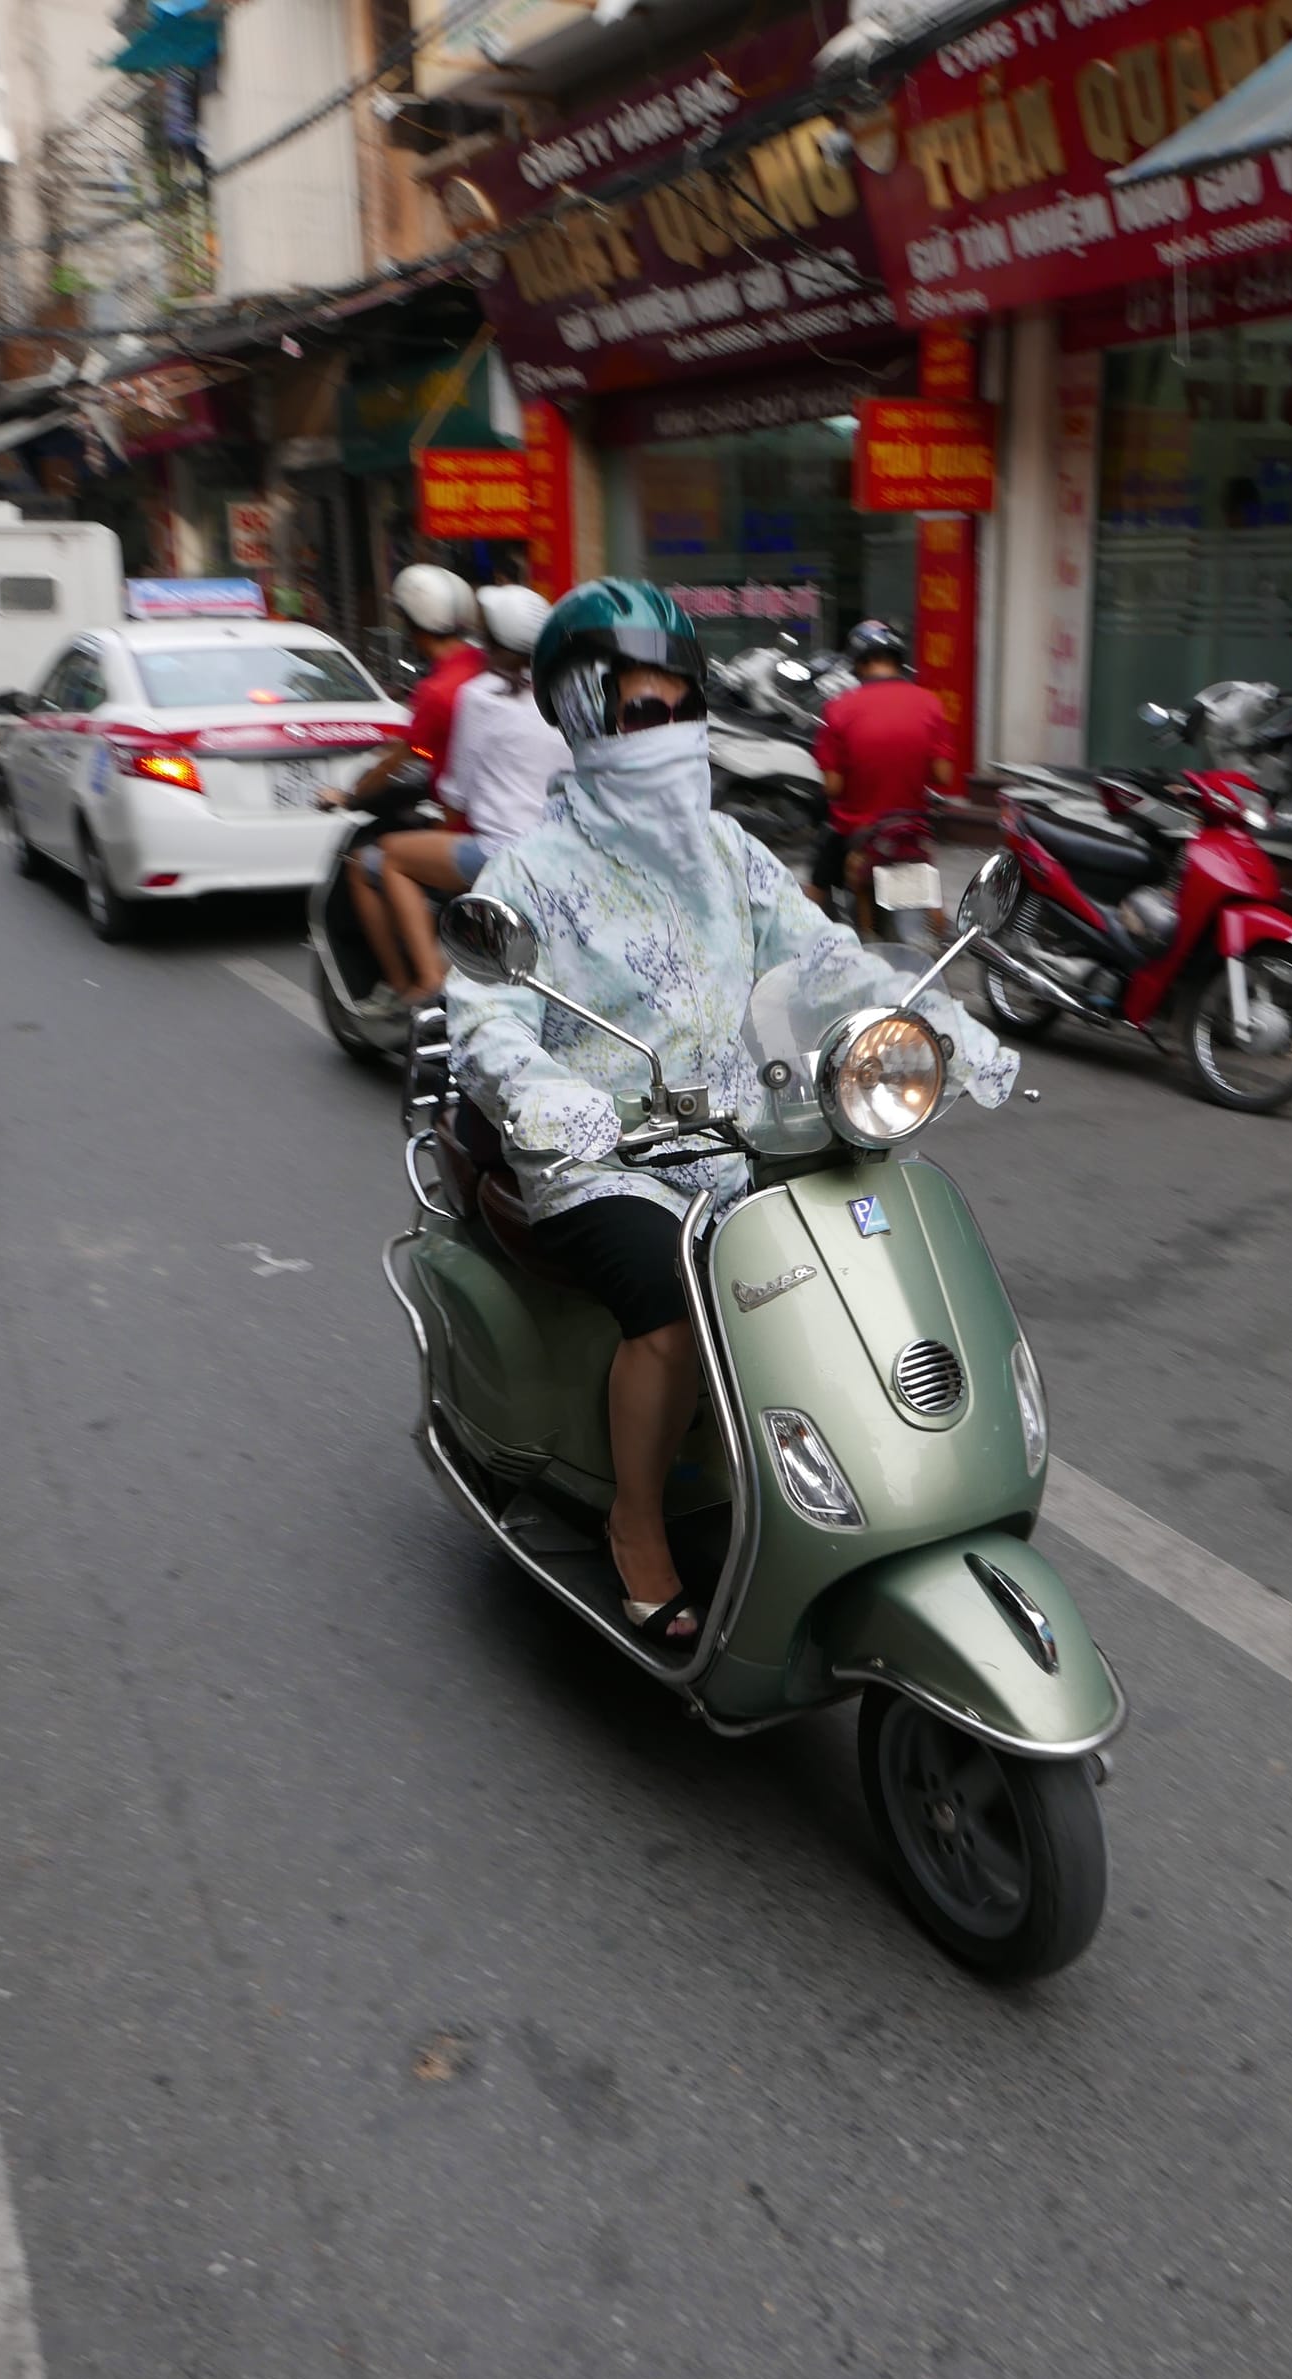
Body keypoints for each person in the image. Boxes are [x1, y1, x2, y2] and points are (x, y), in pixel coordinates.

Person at [447, 579, 1015, 1646]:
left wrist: (936, 1017)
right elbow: (484, 1018)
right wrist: (543, 1093)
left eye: (680, 705)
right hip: (600, 1150)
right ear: (581, 716)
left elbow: (825, 956)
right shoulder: (532, 871)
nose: (667, 731)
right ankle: (636, 1527)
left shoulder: (730, 853)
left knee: (860, 1223)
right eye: (640, 711)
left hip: (734, 1132)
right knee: (668, 1299)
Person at [347, 584, 572, 1026]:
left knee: (383, 858)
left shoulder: (479, 694)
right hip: (562, 851)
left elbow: (457, 793)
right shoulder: (568, 692)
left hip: (500, 852)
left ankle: (422, 985)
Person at [319, 564, 481, 1006]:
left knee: (368, 863)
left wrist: (349, 795)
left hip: (476, 834)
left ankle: (413, 987)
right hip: (520, 828)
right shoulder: (487, 670)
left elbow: (399, 758)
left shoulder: (439, 689)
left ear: (415, 625)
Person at [811, 619, 956, 938]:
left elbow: (833, 787)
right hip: (910, 830)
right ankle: (938, 922)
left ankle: (806, 930)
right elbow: (944, 775)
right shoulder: (930, 703)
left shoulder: (838, 709)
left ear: (859, 663)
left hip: (860, 833)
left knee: (817, 876)